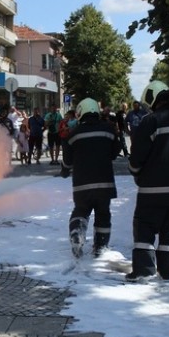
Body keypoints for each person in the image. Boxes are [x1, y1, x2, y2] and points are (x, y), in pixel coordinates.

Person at [126, 80, 169, 282]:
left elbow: (137, 157)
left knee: (145, 227)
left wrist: (136, 172)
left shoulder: (151, 121)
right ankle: (167, 271)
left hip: (153, 190)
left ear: (153, 98)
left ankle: (144, 271)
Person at [59, 97, 120, 258]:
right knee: (103, 214)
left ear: (81, 113)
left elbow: (67, 161)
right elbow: (115, 153)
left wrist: (64, 171)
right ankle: (100, 247)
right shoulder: (109, 130)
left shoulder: (73, 134)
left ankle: (77, 233)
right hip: (104, 184)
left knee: (81, 210)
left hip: (82, 185)